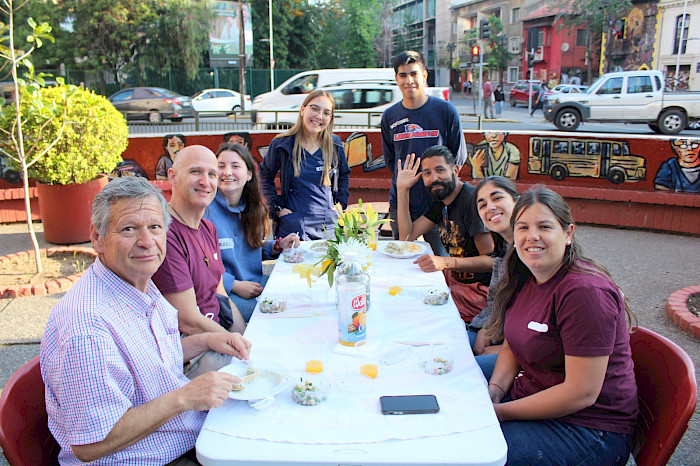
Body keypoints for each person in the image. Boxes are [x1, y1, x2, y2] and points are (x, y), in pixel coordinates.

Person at [40, 177, 251, 464]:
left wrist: (205, 340)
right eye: (129, 229)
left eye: (155, 227)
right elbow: (90, 445)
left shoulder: (136, 280)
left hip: (179, 435)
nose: (147, 242)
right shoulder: (87, 327)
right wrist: (184, 398)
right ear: (98, 237)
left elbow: (147, 360)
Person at [486, 186, 638, 465]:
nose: (532, 236)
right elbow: (512, 345)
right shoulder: (527, 275)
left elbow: (581, 392)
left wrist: (501, 411)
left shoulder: (585, 292)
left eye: (544, 226)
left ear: (567, 234)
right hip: (537, 392)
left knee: (474, 448)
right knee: (457, 376)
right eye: (522, 228)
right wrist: (494, 389)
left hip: (588, 429)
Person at [152, 145, 247, 341]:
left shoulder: (208, 228)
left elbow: (221, 294)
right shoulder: (166, 235)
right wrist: (237, 344)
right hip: (195, 350)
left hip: (219, 335)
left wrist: (245, 334)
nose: (205, 182)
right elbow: (188, 321)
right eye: (195, 172)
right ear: (172, 176)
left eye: (212, 174)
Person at [381, 50, 466, 257]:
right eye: (403, 75)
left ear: (424, 75)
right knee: (401, 257)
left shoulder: (445, 111)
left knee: (443, 261)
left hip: (437, 203)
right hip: (402, 202)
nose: (409, 80)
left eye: (414, 74)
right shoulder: (389, 116)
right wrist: (405, 184)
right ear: (396, 79)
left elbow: (457, 158)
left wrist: (439, 186)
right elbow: (391, 160)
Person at [396, 145, 493, 323]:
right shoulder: (441, 201)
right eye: (427, 173)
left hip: (480, 292)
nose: (434, 178)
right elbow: (407, 238)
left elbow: (491, 261)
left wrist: (446, 262)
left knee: (414, 310)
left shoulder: (471, 201)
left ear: (455, 170)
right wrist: (402, 190)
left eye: (440, 170)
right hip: (456, 282)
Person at [204, 143, 299, 321]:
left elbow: (249, 246)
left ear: (249, 174)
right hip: (225, 296)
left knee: (297, 296)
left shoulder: (252, 208)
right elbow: (200, 265)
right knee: (282, 313)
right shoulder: (205, 211)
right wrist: (234, 285)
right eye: (221, 166)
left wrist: (277, 246)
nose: (227, 172)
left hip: (255, 283)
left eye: (235, 166)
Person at [259, 90, 351, 240]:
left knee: (328, 263)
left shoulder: (335, 145)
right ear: (303, 109)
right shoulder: (282, 144)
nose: (319, 116)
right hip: (294, 223)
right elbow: (264, 176)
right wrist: (277, 208)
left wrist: (340, 205)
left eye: (326, 113)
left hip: (328, 224)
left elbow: (344, 175)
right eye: (314, 109)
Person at [468, 176, 519, 380]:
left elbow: (532, 318)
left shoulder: (531, 253)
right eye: (482, 205)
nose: (490, 207)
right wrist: (487, 327)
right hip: (500, 333)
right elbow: (497, 303)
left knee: (456, 371)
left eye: (497, 198)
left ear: (517, 201)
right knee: (444, 345)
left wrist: (508, 352)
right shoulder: (502, 249)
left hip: (521, 349)